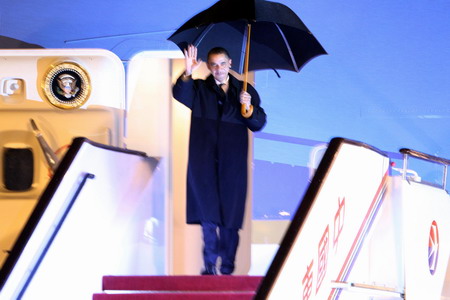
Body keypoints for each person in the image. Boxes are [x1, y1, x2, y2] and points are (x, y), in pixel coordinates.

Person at [172, 44, 267, 275]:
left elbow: (258, 123)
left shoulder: (244, 90)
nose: (218, 69)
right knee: (208, 214)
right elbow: (180, 94)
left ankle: (227, 268)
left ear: (230, 64)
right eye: (213, 65)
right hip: (203, 159)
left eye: (222, 64)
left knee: (230, 216)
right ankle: (209, 266)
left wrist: (248, 107)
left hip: (232, 161)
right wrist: (187, 73)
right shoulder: (198, 87)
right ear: (208, 66)